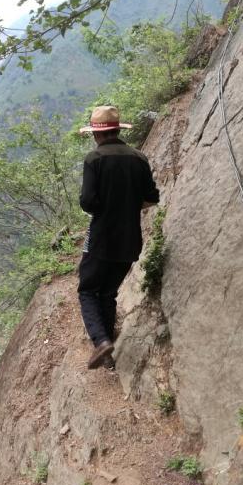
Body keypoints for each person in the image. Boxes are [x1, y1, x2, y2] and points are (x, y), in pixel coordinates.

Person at [78, 105, 160, 369]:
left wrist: (106, 206)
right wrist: (128, 204)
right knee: (108, 292)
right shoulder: (139, 158)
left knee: (88, 290)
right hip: (130, 240)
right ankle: (108, 356)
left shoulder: (94, 159)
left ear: (96, 134)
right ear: (117, 130)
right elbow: (152, 197)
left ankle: (101, 341)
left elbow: (87, 202)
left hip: (101, 238)